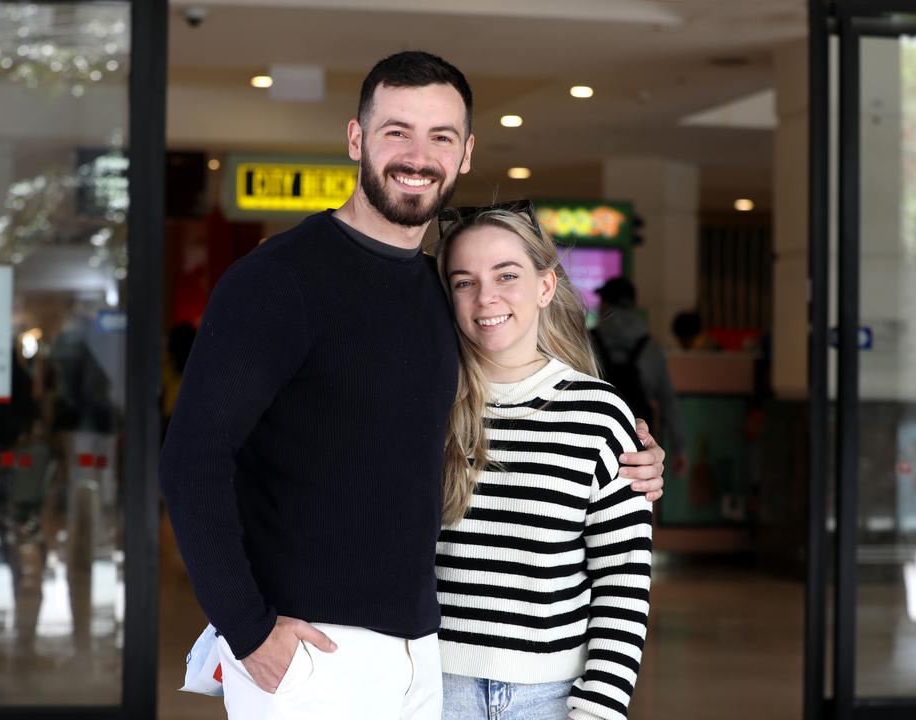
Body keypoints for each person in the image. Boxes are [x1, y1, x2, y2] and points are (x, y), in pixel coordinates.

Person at [159, 51, 666, 720]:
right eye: (397, 131)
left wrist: (632, 457)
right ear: (356, 139)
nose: (417, 155)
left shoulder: (436, 294)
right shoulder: (278, 279)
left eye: (441, 137)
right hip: (314, 649)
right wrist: (247, 628)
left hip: (424, 651)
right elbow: (192, 457)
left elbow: (508, 402)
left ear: (464, 155)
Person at [434, 204, 652, 720]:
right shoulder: (427, 406)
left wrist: (599, 709)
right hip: (431, 690)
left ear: (546, 286)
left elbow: (623, 577)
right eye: (464, 282)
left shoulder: (599, 414)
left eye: (507, 275)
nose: (486, 297)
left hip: (552, 699)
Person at [592, 277, 688, 476]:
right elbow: (668, 402)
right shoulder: (650, 347)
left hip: (594, 439)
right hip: (639, 440)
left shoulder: (588, 342)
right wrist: (680, 448)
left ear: (607, 304)